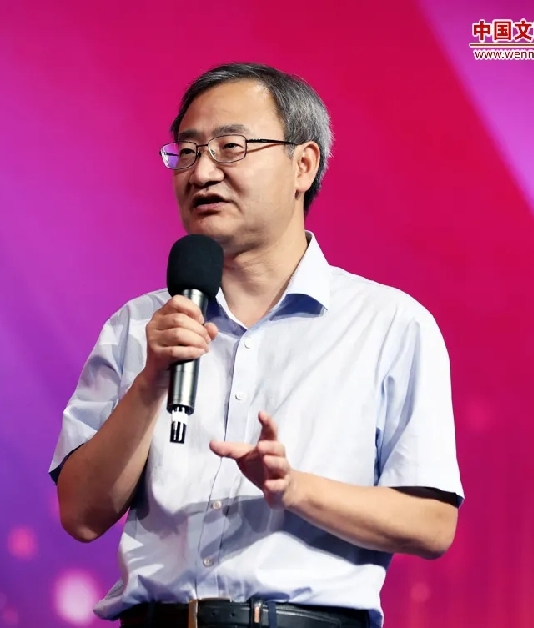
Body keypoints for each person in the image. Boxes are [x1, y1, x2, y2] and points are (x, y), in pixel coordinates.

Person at [49, 62, 464, 628]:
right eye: (187, 152)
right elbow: (80, 515)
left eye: (231, 147)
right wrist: (149, 383)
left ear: (303, 165)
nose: (202, 173)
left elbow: (432, 524)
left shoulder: (389, 324)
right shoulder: (137, 326)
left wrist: (295, 489)